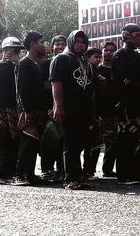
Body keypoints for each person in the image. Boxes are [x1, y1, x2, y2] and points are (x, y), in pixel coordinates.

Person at [50, 30, 95, 190]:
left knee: (80, 141)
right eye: (77, 42)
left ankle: (78, 176)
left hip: (83, 108)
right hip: (68, 107)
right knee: (71, 142)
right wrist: (59, 106)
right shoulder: (61, 58)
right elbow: (56, 83)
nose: (80, 45)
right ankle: (71, 178)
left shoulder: (82, 61)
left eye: (83, 42)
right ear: (71, 42)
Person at [112, 24, 140, 184]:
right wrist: (136, 79)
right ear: (126, 35)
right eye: (136, 35)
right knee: (125, 140)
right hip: (126, 107)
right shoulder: (119, 55)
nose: (139, 39)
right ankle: (123, 175)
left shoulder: (139, 57)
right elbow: (129, 75)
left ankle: (137, 173)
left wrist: (135, 80)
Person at [14, 31, 48, 186]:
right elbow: (21, 89)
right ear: (33, 44)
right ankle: (20, 175)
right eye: (40, 42)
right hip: (28, 111)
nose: (43, 45)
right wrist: (26, 110)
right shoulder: (24, 63)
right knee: (27, 142)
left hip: (39, 109)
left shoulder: (36, 64)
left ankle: (30, 174)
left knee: (34, 143)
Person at [0, 37, 23, 183]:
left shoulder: (19, 67)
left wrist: (18, 61)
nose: (11, 52)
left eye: (15, 50)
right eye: (9, 49)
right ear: (2, 50)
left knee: (14, 140)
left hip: (15, 108)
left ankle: (7, 173)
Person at [39, 35, 67, 182]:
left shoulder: (69, 62)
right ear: (51, 47)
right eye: (57, 44)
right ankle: (46, 169)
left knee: (63, 139)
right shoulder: (46, 64)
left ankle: (61, 169)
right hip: (49, 107)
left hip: (66, 106)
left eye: (63, 44)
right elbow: (45, 85)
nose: (61, 47)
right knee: (49, 139)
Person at [96, 42, 118, 177]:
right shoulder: (95, 70)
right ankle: (88, 170)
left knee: (112, 143)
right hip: (98, 111)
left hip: (113, 111)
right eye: (107, 50)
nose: (109, 52)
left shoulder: (117, 70)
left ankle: (107, 170)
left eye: (112, 50)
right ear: (102, 52)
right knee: (94, 143)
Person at [81, 47, 102, 180]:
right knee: (86, 143)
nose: (99, 59)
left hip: (96, 111)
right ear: (87, 57)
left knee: (95, 143)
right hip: (87, 112)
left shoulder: (95, 71)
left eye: (100, 57)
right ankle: (85, 171)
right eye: (96, 57)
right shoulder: (85, 71)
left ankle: (90, 170)